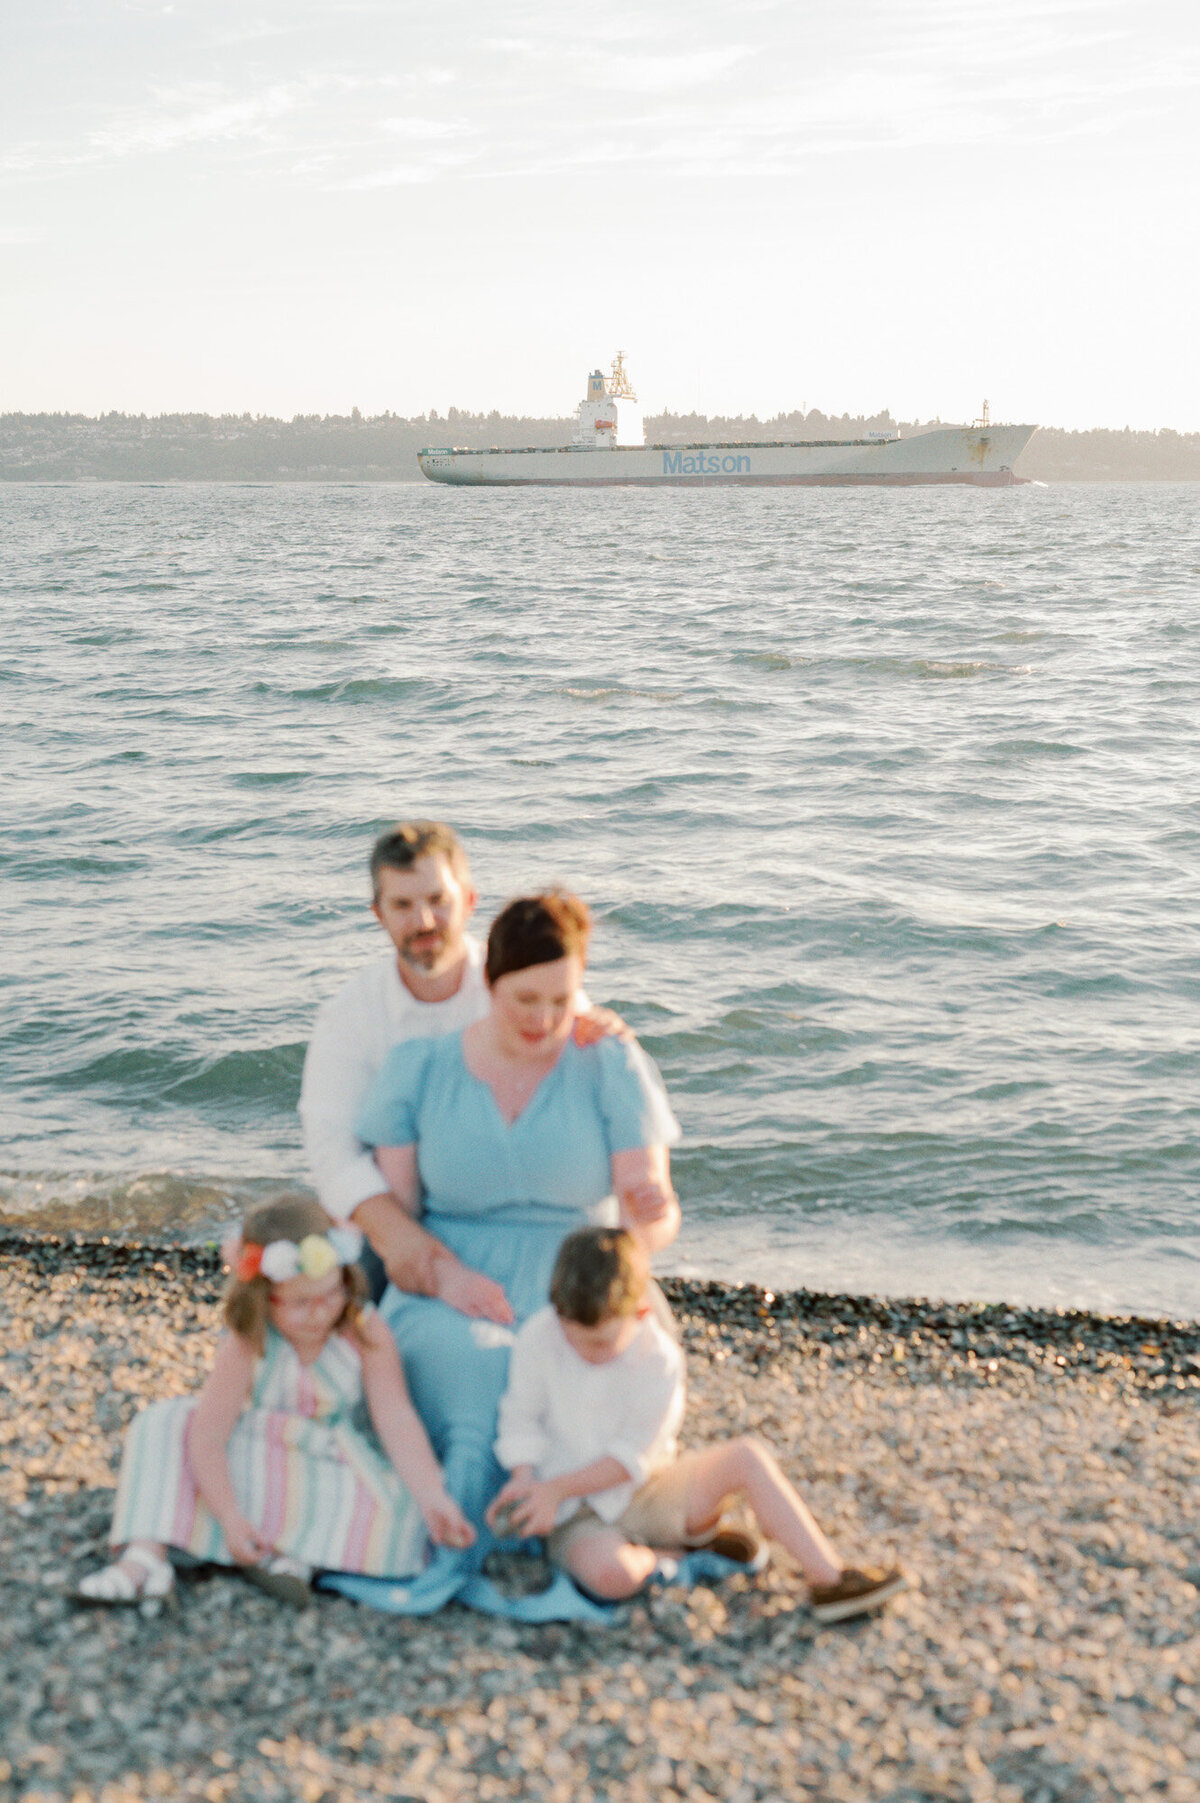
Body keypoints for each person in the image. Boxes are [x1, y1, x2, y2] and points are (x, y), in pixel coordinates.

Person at [354, 891, 681, 1561]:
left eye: (562, 1000)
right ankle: (461, 1529)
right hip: (453, 1274)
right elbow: (397, 1213)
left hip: (580, 1275)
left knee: (590, 1362)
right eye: (525, 999)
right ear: (489, 982)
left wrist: (641, 1230)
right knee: (485, 1369)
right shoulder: (419, 1068)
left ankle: (578, 1514)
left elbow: (653, 1216)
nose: (545, 1018)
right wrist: (442, 1275)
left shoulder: (609, 1063)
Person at [488, 1226, 909, 1624]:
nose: (582, 1350)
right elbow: (520, 1418)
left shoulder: (658, 1359)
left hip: (651, 1490)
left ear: (640, 1312)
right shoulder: (540, 1336)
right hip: (575, 1516)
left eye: (600, 1342)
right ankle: (678, 1560)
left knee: (747, 1457)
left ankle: (830, 1579)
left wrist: (552, 1488)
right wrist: (526, 1485)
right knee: (609, 1577)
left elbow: (631, 1457)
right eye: (571, 1334)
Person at [73, 1198, 473, 1610]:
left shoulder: (363, 1328)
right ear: (264, 1298)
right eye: (301, 1303)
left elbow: (396, 1418)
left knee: (404, 1514)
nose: (320, 1312)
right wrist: (229, 1515)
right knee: (165, 1422)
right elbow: (210, 1436)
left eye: (330, 1294)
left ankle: (276, 1552)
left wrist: (432, 1497)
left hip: (328, 1461)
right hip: (258, 1454)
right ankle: (146, 1558)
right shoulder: (248, 1341)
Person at [299, 819, 619, 1304]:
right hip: (397, 1207)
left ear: (468, 901)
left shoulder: (524, 985)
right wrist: (406, 1242)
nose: (424, 921)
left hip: (507, 1203)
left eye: (437, 901)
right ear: (378, 913)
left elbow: (584, 1068)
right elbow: (332, 1152)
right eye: (403, 905)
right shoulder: (349, 1017)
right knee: (339, 1315)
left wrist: (606, 1034)